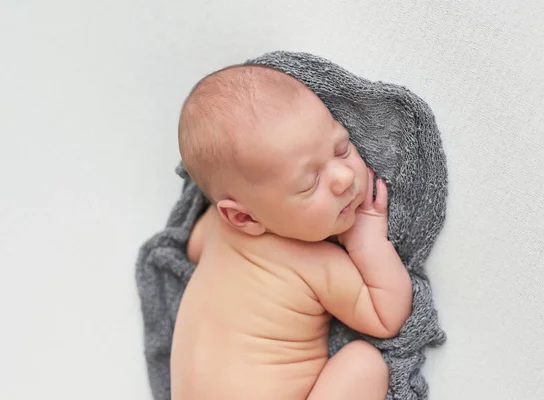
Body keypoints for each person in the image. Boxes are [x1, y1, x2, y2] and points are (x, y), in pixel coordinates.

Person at [171, 64, 413, 400]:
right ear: (243, 218)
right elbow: (387, 317)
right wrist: (367, 240)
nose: (343, 178)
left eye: (341, 148)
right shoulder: (314, 263)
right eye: (310, 183)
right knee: (365, 363)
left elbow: (192, 249)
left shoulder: (214, 226)